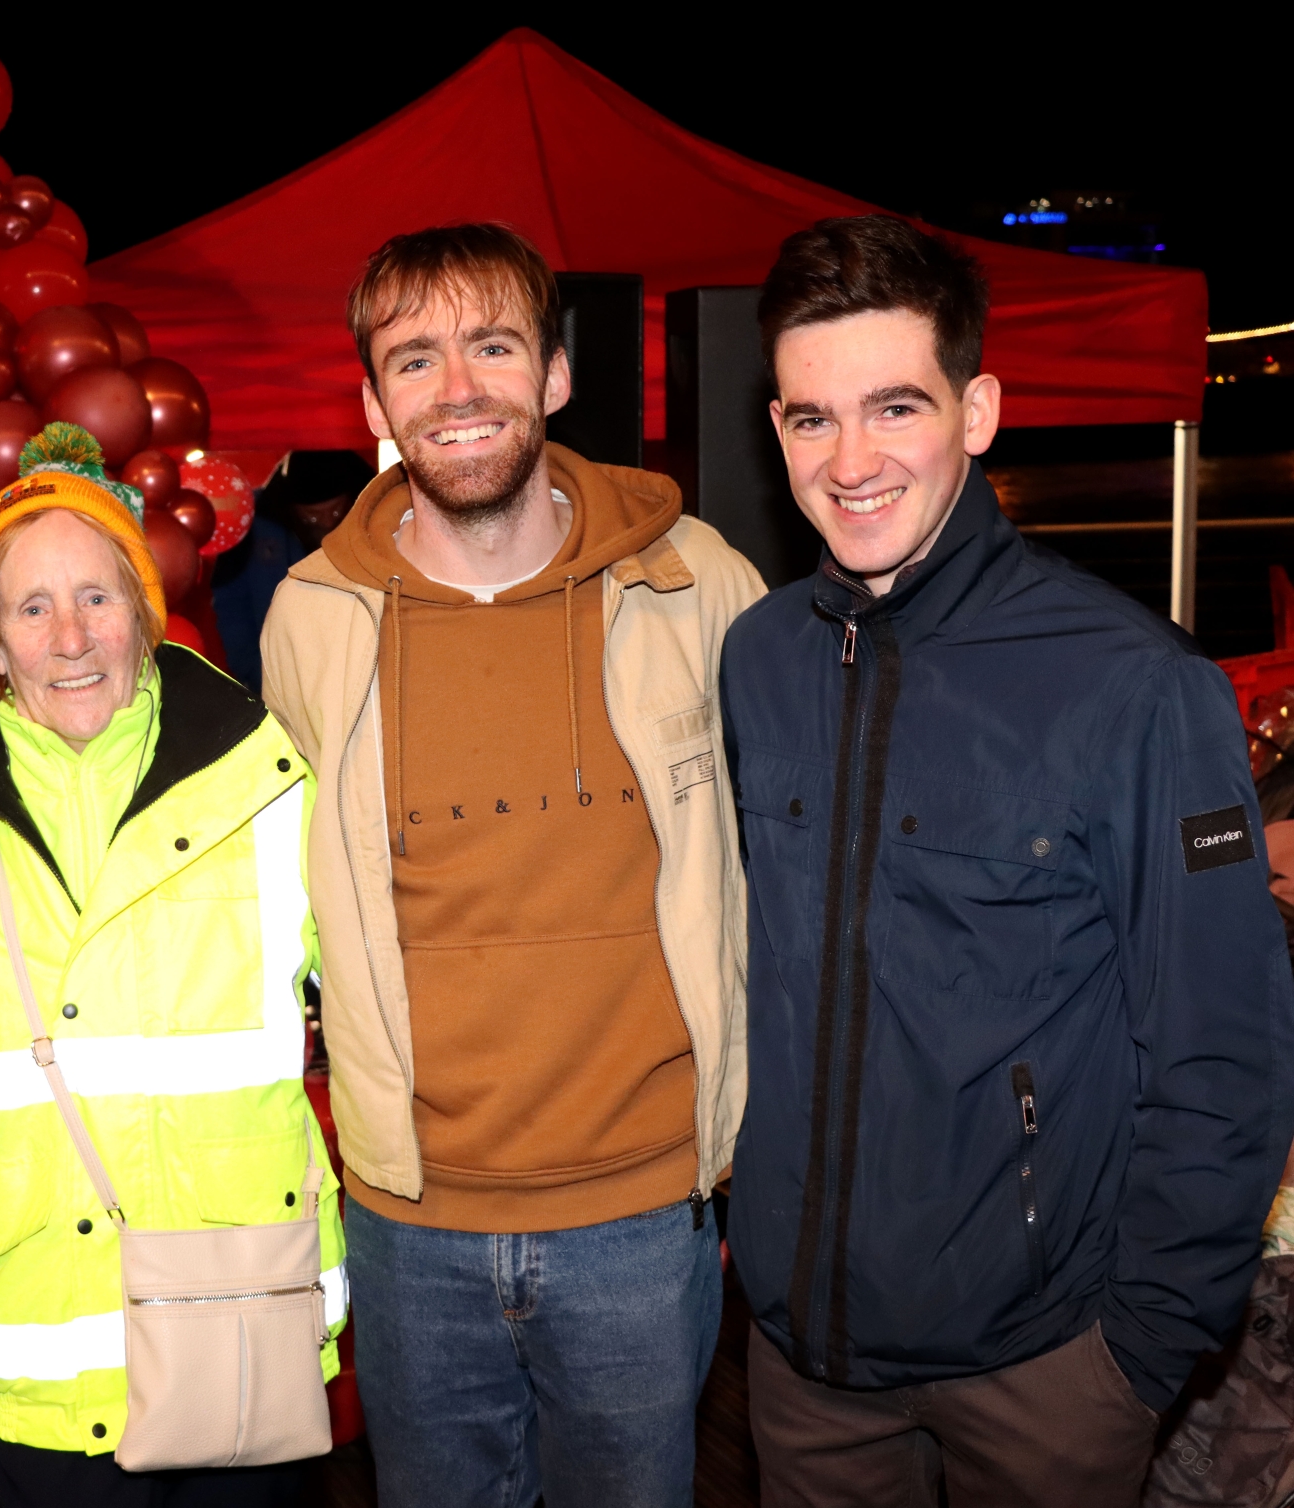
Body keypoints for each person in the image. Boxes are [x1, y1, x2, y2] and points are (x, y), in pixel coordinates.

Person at [720, 214, 1294, 1507]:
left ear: (978, 410)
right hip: (808, 1373)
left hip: (1048, 1374)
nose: (851, 460)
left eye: (895, 408)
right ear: (777, 430)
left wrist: (1140, 1354)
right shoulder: (760, 661)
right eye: (813, 419)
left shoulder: (1136, 686)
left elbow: (1226, 1051)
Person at [260, 223, 764, 1507]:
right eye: (414, 359)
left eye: (491, 346)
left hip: (645, 1216)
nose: (458, 389)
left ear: (553, 373)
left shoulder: (697, 583)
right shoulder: (311, 619)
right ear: (374, 401)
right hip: (407, 1220)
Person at [0, 423, 346, 1508]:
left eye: (98, 597)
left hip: (235, 1320)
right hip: (40, 1344)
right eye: (31, 607)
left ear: (145, 617)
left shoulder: (266, 776)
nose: (70, 636)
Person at [213, 451, 373, 696]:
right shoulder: (255, 523)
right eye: (312, 516)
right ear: (290, 510)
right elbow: (232, 607)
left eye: (336, 512)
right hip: (274, 683)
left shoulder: (375, 523)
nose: (326, 523)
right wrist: (260, 678)